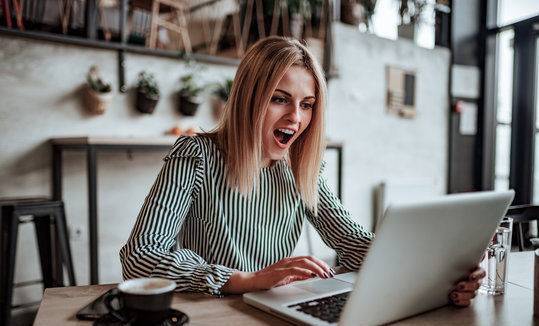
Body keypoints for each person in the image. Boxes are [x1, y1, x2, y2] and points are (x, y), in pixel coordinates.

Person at [120, 36, 483, 306]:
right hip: (214, 312)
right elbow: (141, 256)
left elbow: (354, 244)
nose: (296, 118)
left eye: (307, 105)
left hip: (276, 312)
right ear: (250, 97)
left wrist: (438, 274)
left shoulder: (300, 167)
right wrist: (244, 280)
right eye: (280, 99)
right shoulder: (197, 155)